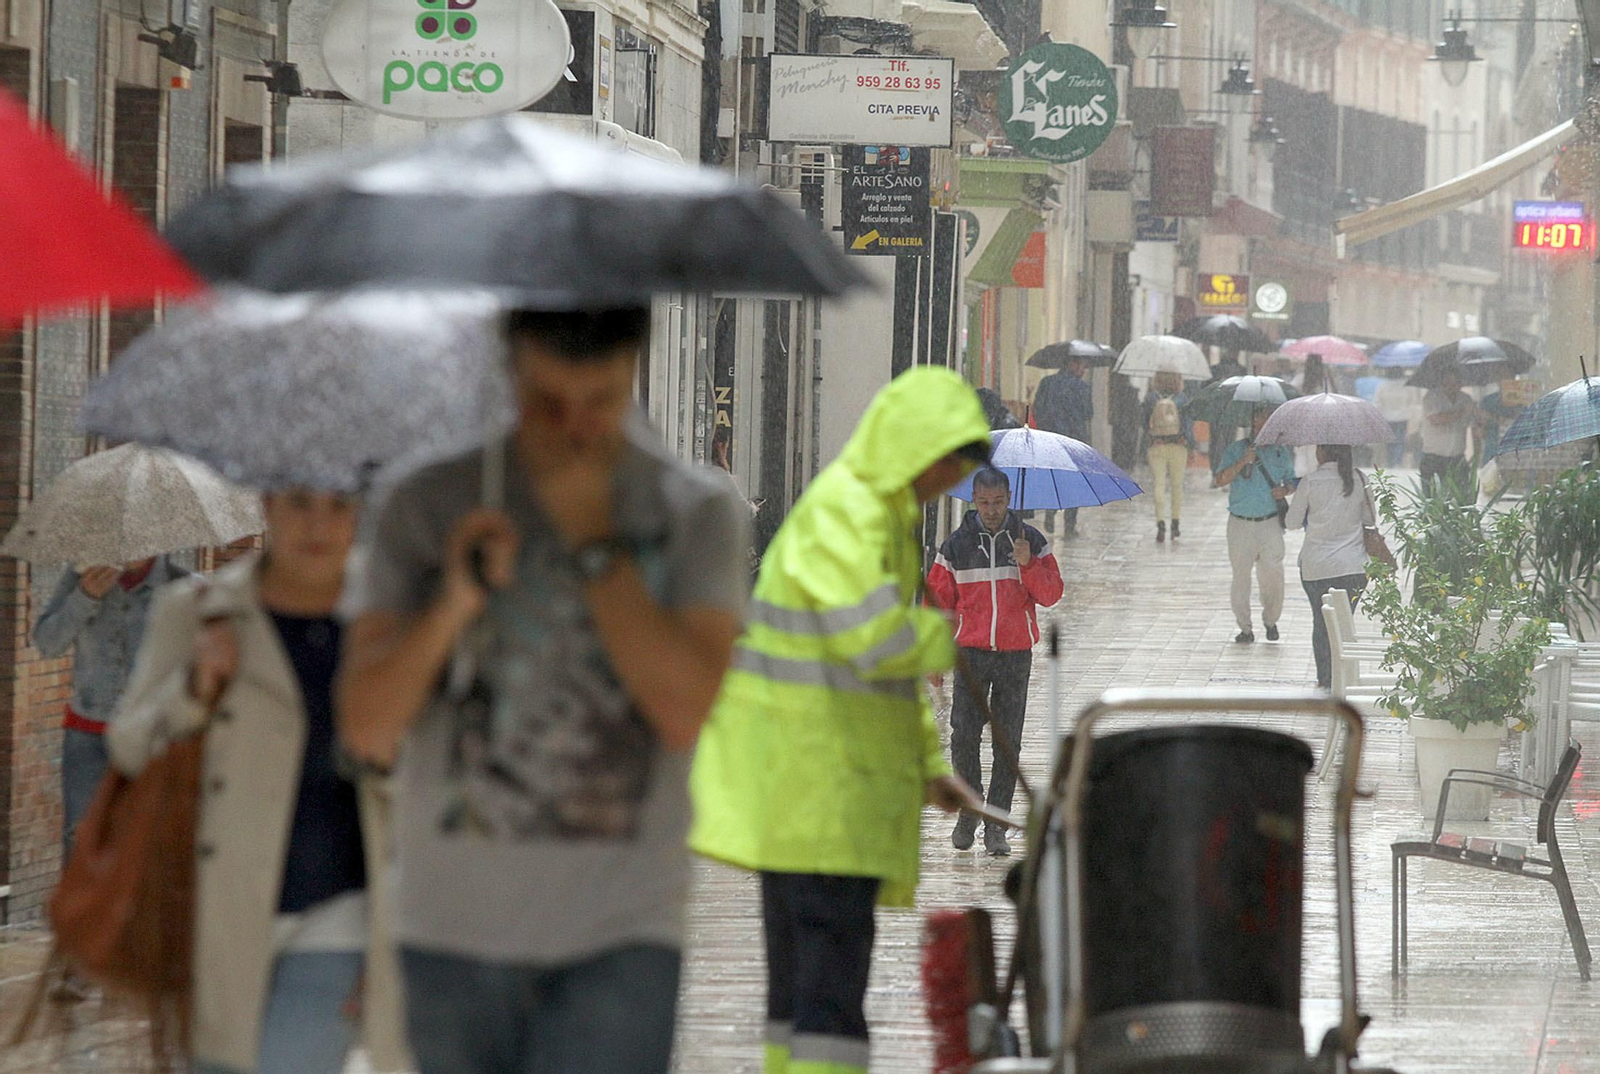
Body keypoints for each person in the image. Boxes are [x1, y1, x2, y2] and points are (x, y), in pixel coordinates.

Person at [336, 308, 750, 1074]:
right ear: (510, 369)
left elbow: (689, 712)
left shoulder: (693, 513)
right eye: (546, 401)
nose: (573, 428)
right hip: (451, 929)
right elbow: (366, 725)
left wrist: (594, 541)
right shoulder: (425, 501)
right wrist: (452, 603)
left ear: (633, 370)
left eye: (600, 400)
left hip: (619, 935)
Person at [689, 366, 989, 1074]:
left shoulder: (880, 516)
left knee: (804, 992)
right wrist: (947, 635)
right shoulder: (849, 514)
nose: (946, 487)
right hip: (816, 795)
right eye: (946, 470)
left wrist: (927, 769)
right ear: (917, 451)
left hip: (823, 792)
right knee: (826, 990)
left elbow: (887, 683)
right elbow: (873, 640)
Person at [107, 490, 405, 1074]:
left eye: (338, 505)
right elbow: (129, 744)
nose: (319, 523)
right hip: (216, 909)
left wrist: (390, 752)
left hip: (338, 914)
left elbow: (426, 774)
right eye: (300, 502)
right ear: (267, 505)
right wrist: (195, 687)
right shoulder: (195, 608)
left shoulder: (390, 619)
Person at [33, 552, 189, 1001]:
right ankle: (76, 963)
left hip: (154, 739)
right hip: (88, 734)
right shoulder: (81, 576)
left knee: (153, 844)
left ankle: (149, 957)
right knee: (80, 840)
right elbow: (45, 642)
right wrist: (85, 597)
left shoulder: (183, 586)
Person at [926, 467, 1063, 856]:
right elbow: (937, 602)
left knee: (1007, 743)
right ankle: (970, 809)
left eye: (998, 503)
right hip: (970, 655)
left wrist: (1028, 564)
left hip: (1015, 654)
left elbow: (1052, 593)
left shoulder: (1030, 541)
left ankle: (997, 824)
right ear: (974, 500)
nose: (991, 510)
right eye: (984, 503)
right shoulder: (955, 547)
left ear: (1009, 500)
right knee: (963, 737)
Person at [1284, 444, 1376, 688]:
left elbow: (1292, 522)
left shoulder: (1310, 481)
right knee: (1344, 624)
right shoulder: (1359, 479)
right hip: (1353, 567)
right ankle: (1342, 677)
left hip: (1316, 567)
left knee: (1321, 623)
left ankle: (1325, 679)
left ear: (1323, 452)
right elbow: (1370, 519)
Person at [1213, 407, 1297, 645]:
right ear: (1251, 425)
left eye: (1267, 425)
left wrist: (1286, 490)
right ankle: (1245, 628)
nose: (1263, 430)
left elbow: (1291, 481)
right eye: (1258, 424)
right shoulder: (1236, 449)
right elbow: (1220, 480)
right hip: (1240, 523)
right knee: (1241, 577)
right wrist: (1243, 461)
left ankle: (1271, 620)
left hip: (1269, 522)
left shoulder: (1281, 453)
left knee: (1273, 574)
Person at [1032, 358, 1093, 535]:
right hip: (1075, 439)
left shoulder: (1047, 383)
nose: (1084, 370)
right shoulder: (1081, 387)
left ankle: (1050, 511)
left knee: (1053, 476)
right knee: (1074, 481)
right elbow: (1089, 413)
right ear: (1072, 364)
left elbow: (1037, 409)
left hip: (1050, 439)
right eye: (1083, 365)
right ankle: (1069, 524)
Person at [1143, 371, 1192, 542]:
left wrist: (1151, 439)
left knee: (1159, 485)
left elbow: (1144, 422)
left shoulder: (1151, 398)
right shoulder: (1182, 399)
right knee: (1177, 486)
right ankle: (1176, 524)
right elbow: (1187, 423)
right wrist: (1186, 440)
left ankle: (1160, 523)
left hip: (1157, 446)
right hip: (1178, 446)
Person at [1420, 370, 1478, 498]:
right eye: (1448, 383)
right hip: (1434, 457)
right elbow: (1436, 419)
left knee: (1462, 497)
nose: (1451, 387)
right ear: (1442, 383)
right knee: (1433, 499)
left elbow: (1474, 425)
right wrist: (1461, 412)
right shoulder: (1432, 397)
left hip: (1457, 457)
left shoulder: (1466, 399)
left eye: (1455, 383)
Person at [1373, 372, 1418, 468]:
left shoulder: (1382, 385)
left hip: (1387, 417)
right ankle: (1398, 461)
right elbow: (1412, 400)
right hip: (1403, 416)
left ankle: (1390, 461)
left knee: (1390, 441)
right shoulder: (1407, 385)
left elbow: (1377, 401)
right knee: (1400, 439)